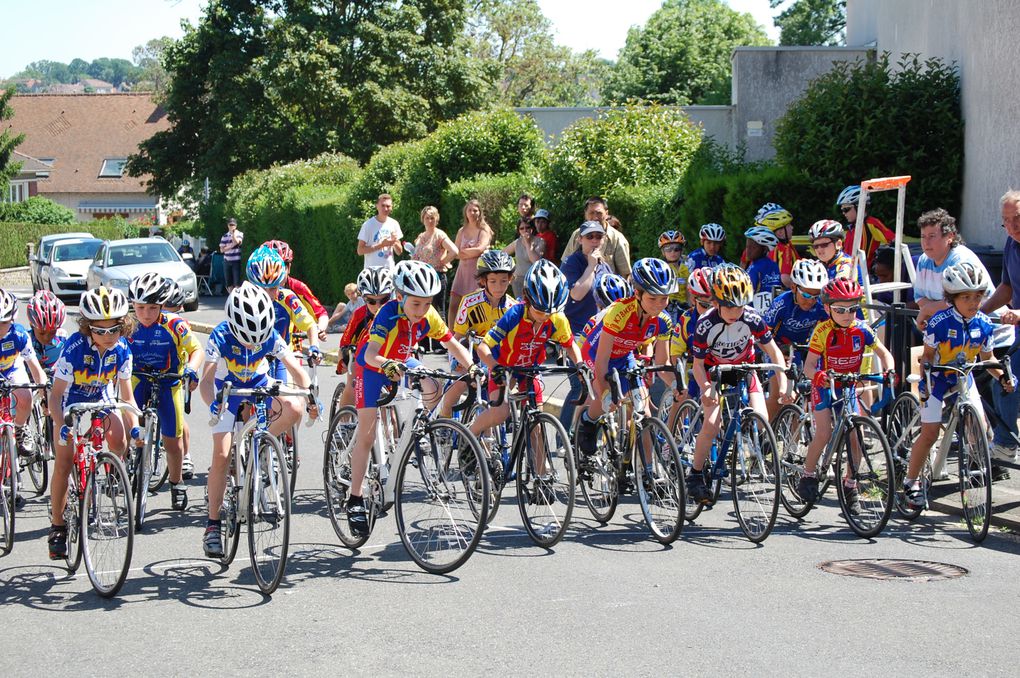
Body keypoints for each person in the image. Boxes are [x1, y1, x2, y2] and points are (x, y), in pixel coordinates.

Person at [347, 260, 476, 537]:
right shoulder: (387, 314)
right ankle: (355, 498)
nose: (422, 311)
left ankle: (429, 430)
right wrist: (386, 366)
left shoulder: (429, 316)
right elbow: (370, 355)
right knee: (367, 436)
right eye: (416, 304)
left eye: (427, 304)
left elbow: (452, 343)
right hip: (371, 368)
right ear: (400, 297)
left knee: (432, 385)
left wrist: (473, 368)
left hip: (403, 362)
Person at [198, 283, 319, 557]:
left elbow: (296, 370)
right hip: (226, 389)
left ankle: (260, 440)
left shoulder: (270, 333)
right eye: (246, 339)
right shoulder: (219, 336)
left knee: (294, 407)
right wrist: (214, 405)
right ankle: (213, 525)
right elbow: (205, 384)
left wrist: (310, 395)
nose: (253, 344)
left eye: (258, 339)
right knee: (221, 453)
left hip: (257, 381)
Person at [903, 263, 1013, 509]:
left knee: (980, 427)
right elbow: (928, 355)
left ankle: (975, 467)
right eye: (966, 297)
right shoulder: (939, 322)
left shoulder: (984, 323)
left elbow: (988, 359)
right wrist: (928, 375)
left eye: (977, 296)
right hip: (937, 380)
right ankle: (911, 483)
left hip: (963, 378)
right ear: (952, 298)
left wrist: (1003, 376)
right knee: (930, 433)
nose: (973, 302)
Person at [685, 264, 791, 505]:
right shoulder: (705, 324)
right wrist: (706, 388)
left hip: (744, 369)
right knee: (712, 424)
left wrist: (783, 383)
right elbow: (697, 365)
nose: (736, 311)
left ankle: (750, 451)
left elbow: (774, 353)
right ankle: (696, 473)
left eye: (741, 305)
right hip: (715, 373)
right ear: (716, 302)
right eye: (730, 306)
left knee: (761, 418)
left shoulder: (752, 318)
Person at [47, 287, 140, 560]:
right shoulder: (73, 348)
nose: (108, 336)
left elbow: (127, 395)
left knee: (120, 439)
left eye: (114, 329)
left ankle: (109, 469)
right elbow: (54, 396)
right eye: (100, 331)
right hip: (70, 399)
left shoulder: (122, 349)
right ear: (88, 328)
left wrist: (136, 426)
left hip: (101, 394)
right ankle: (58, 527)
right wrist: (61, 423)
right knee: (64, 461)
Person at [469, 260, 585, 460]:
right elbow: (483, 347)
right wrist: (494, 367)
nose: (544, 317)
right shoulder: (514, 314)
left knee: (536, 427)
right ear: (527, 299)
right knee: (500, 413)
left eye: (550, 312)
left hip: (530, 369)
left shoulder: (556, 318)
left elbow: (569, 345)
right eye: (540, 311)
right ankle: (469, 436)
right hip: (504, 367)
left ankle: (542, 479)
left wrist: (581, 365)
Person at [576, 259, 680, 478]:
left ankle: (648, 470)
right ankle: (588, 421)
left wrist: (678, 387)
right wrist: (605, 392)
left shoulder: (663, 321)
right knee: (611, 402)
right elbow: (602, 361)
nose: (659, 304)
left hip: (624, 355)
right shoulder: (619, 313)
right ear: (638, 293)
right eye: (653, 298)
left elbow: (663, 364)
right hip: (595, 353)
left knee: (644, 411)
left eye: (664, 298)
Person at [798, 277, 895, 505]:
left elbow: (884, 353)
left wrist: (889, 369)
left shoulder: (861, 329)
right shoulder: (822, 331)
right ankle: (808, 475)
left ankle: (850, 485)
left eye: (853, 309)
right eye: (840, 309)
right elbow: (808, 367)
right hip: (825, 386)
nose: (847, 315)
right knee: (824, 433)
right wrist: (819, 376)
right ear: (827, 308)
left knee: (857, 437)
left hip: (849, 386)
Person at [126, 272, 203, 511]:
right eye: (139, 308)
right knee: (123, 423)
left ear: (161, 306)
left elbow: (196, 349)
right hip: (138, 378)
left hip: (169, 381)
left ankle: (176, 482)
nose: (145, 314)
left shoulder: (174, 324)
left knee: (173, 441)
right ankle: (121, 464)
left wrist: (191, 369)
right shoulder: (127, 324)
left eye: (151, 308)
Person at [438, 250, 515, 418]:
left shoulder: (512, 307)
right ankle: (444, 415)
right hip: (468, 351)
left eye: (503, 281)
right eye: (493, 281)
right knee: (460, 383)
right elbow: (457, 339)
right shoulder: (469, 302)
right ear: (483, 281)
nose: (498, 287)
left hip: (494, 356)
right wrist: (458, 362)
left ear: (510, 280)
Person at [762, 259, 829, 419]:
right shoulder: (781, 304)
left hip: (800, 347)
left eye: (816, 295)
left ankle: (793, 441)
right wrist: (776, 353)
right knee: (778, 393)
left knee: (799, 397)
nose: (811, 300)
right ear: (793, 287)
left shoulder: (820, 305)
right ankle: (762, 433)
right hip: (775, 345)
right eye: (806, 295)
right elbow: (762, 336)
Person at [0, 290, 48, 509]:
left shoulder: (18, 334)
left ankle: (19, 428)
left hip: (12, 368)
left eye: (4, 322)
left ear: (12, 319)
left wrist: (44, 390)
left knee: (25, 394)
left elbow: (35, 369)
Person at [983, 190, 1020, 464]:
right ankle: (1006, 444)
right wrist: (978, 311)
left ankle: (1006, 442)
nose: (1012, 226)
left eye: (1017, 218)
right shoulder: (1011, 244)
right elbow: (1007, 287)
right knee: (1004, 380)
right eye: (1006, 221)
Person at [914, 208, 993, 330]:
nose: (926, 242)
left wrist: (928, 310)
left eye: (932, 236)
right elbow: (919, 297)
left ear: (950, 236)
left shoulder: (961, 260)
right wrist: (936, 309)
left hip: (986, 334)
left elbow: (963, 304)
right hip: (951, 334)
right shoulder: (923, 260)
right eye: (923, 236)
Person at [335, 267, 393, 410]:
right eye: (371, 301)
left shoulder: (396, 312)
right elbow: (345, 341)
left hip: (384, 355)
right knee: (352, 382)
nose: (378, 306)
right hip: (358, 352)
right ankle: (342, 425)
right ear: (363, 298)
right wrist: (343, 359)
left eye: (384, 299)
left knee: (391, 396)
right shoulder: (359, 314)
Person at [263, 240, 329, 342]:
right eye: (270, 268)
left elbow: (321, 313)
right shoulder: (254, 290)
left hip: (292, 346)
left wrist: (319, 329)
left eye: (280, 268)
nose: (275, 274)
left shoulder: (298, 287)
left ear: (288, 268)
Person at [448, 199, 494, 329]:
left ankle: (474, 336)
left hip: (477, 273)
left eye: (475, 210)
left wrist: (464, 252)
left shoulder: (484, 229)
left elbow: (480, 249)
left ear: (480, 212)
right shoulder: (461, 231)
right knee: (453, 306)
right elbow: (456, 252)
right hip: (462, 273)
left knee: (475, 307)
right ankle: (451, 337)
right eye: (470, 210)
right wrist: (469, 252)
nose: (472, 213)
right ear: (465, 212)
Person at [412, 206, 459, 332]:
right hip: (421, 277)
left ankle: (441, 341)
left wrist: (443, 261)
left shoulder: (439, 235)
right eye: (427, 218)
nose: (430, 221)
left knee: (438, 309)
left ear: (436, 219)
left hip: (437, 275)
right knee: (422, 308)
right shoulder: (421, 236)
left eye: (432, 218)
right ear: (423, 219)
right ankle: (424, 341)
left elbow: (454, 250)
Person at [561, 197, 632, 276]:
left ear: (606, 214)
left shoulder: (618, 239)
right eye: (591, 213)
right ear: (585, 214)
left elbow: (625, 274)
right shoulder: (577, 234)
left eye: (599, 213)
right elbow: (565, 263)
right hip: (577, 284)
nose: (595, 217)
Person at [837, 185, 895, 270]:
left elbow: (893, 240)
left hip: (865, 275)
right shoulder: (849, 228)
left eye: (846, 209)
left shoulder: (871, 223)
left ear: (859, 206)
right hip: (847, 271)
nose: (844, 213)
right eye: (842, 210)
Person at [755, 204, 799, 289]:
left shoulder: (760, 248)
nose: (792, 227)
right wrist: (802, 292)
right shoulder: (785, 248)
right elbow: (785, 278)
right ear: (780, 233)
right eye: (789, 225)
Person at [357, 193, 403, 271]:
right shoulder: (368, 225)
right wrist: (381, 245)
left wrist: (394, 241)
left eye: (388, 206)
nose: (385, 209)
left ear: (391, 208)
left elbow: (399, 252)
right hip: (372, 273)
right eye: (383, 205)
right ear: (377, 206)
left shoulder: (394, 223)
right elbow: (360, 251)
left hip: (390, 271)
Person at [26, 290, 68, 371]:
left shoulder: (63, 338)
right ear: (32, 325)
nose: (46, 338)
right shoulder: (24, 340)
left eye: (52, 332)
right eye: (41, 333)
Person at [743, 226, 782, 314]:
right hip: (772, 312)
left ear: (764, 249)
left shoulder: (755, 267)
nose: (748, 251)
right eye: (747, 247)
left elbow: (744, 293)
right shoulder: (774, 265)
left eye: (752, 248)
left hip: (753, 313)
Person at [504, 218, 545, 298]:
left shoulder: (540, 241)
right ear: (519, 230)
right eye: (522, 228)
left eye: (527, 227)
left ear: (532, 228)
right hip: (518, 280)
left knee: (534, 307)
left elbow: (535, 260)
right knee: (520, 306)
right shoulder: (517, 242)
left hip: (534, 280)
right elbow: (502, 253)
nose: (525, 230)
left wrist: (527, 242)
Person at [658, 230, 690, 320]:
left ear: (681, 250)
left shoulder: (686, 268)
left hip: (684, 307)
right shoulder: (661, 268)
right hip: (667, 307)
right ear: (663, 252)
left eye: (677, 249)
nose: (673, 252)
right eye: (668, 249)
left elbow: (689, 290)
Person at [218, 217, 244, 293]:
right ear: (228, 225)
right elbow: (222, 250)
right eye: (230, 224)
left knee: (237, 282)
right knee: (229, 283)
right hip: (227, 260)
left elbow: (238, 242)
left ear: (236, 226)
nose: (232, 226)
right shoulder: (224, 236)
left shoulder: (240, 234)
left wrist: (233, 235)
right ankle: (231, 297)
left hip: (236, 260)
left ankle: (237, 298)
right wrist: (232, 245)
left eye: (233, 224)